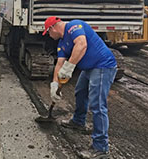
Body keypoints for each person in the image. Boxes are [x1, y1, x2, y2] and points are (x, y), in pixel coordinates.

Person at [43, 16, 117, 159]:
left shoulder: (74, 26)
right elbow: (59, 64)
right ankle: (78, 121)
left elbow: (81, 44)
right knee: (80, 92)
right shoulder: (62, 43)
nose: (49, 36)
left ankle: (101, 148)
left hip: (102, 66)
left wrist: (70, 66)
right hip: (89, 68)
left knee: (98, 105)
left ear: (52, 28)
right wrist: (54, 85)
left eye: (48, 33)